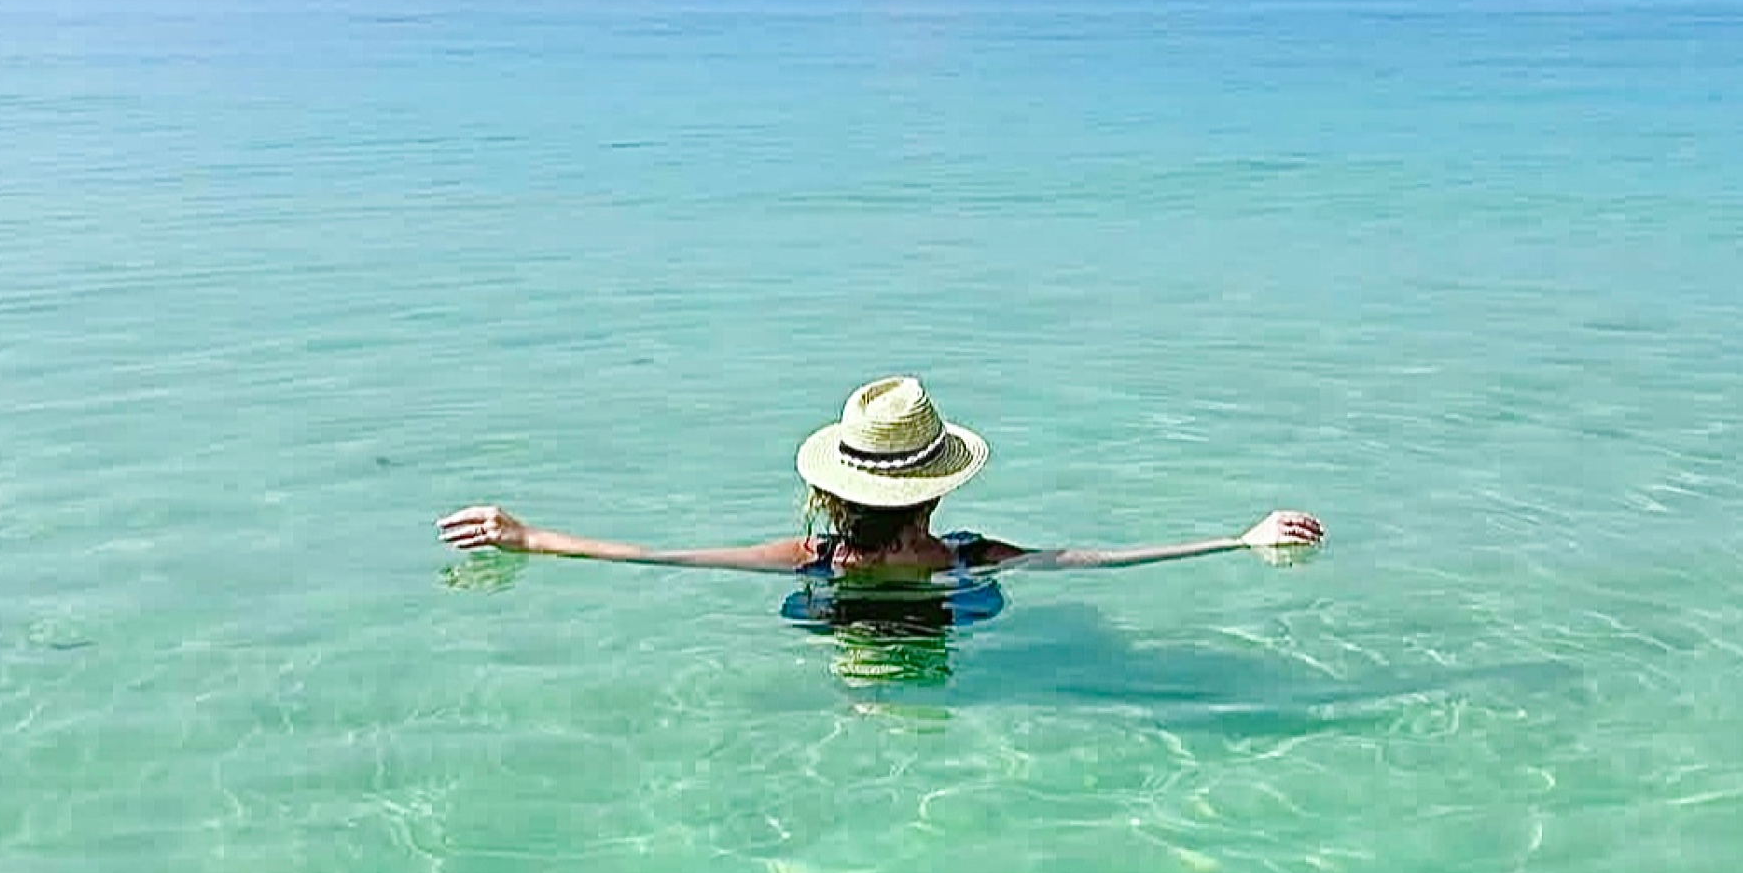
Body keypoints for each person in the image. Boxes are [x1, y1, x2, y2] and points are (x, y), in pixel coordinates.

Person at [437, 375, 1325, 575]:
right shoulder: (970, 560)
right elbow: (1094, 557)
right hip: (949, 654)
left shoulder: (806, 558)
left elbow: (661, 555)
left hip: (836, 641)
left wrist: (530, 536)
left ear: (834, 490)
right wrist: (1235, 537)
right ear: (936, 488)